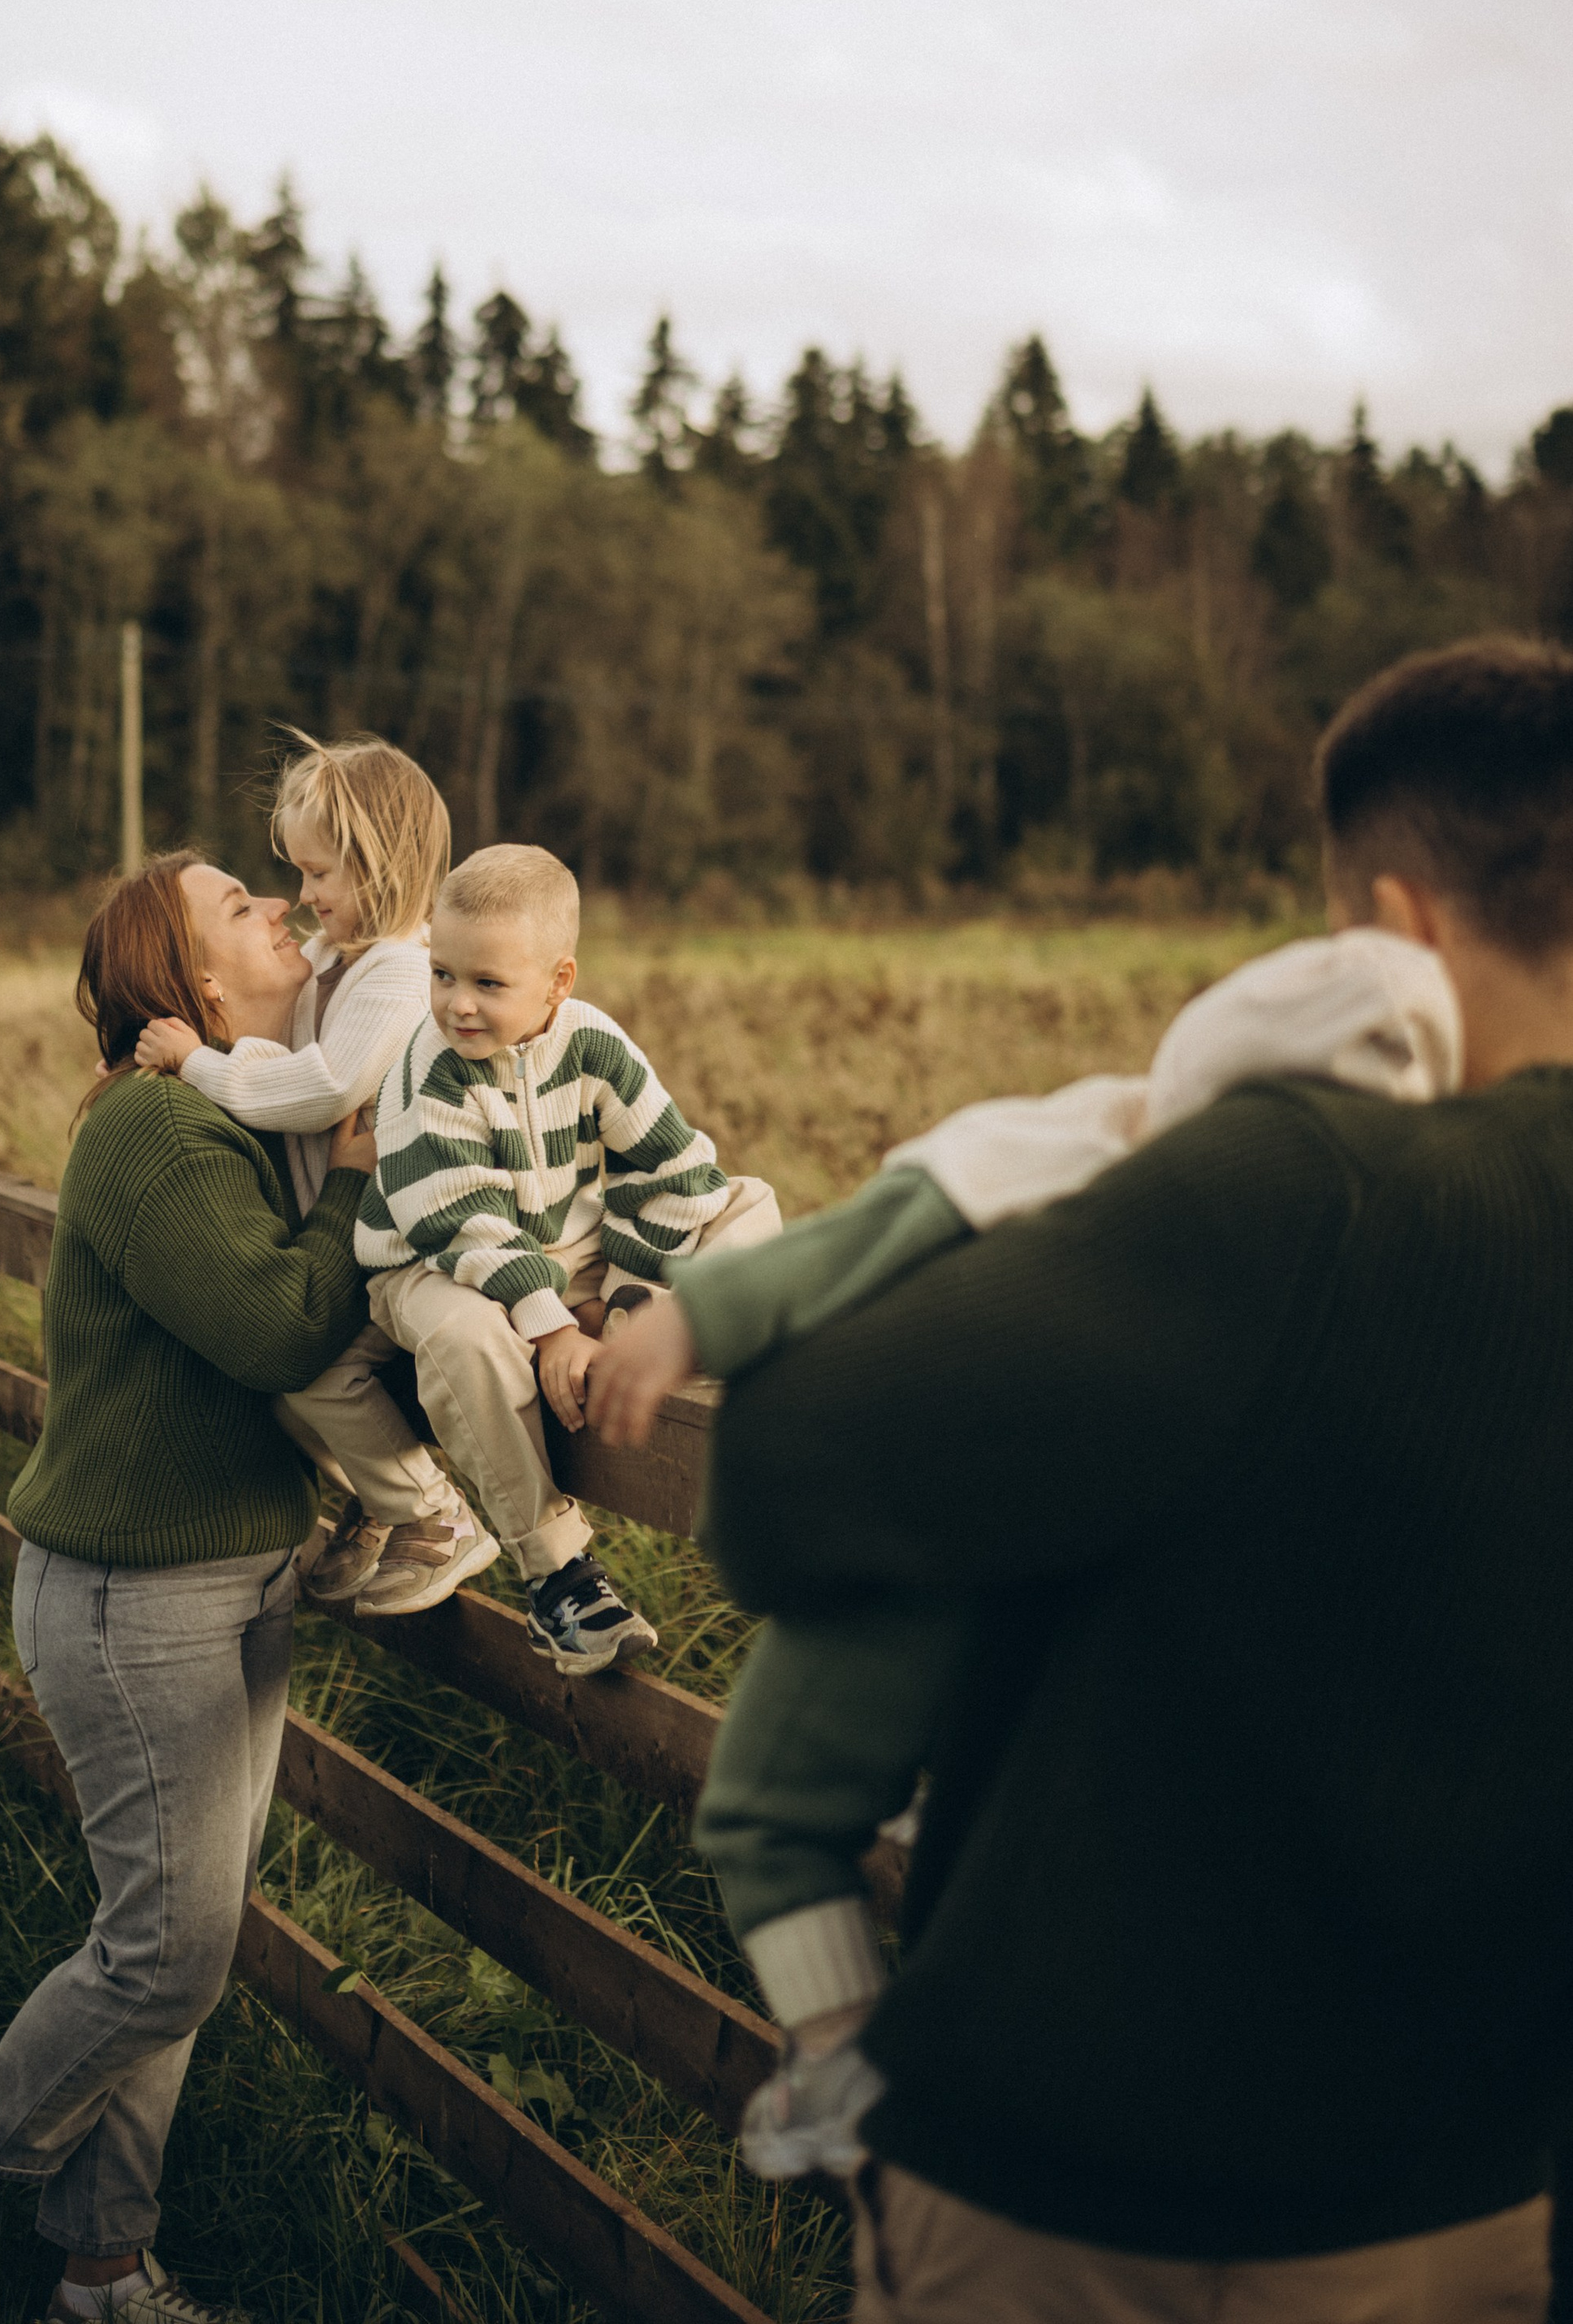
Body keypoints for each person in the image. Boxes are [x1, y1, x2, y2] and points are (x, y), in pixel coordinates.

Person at [624, 636, 1573, 2323]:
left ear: (1391, 932)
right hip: (1470, 2201)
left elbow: (789, 1468)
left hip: (1095, 2198)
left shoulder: (1307, 1187)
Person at [593, 927, 1463, 2185]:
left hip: (965, 1544)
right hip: (988, 1539)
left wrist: (690, 1323)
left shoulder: (1107, 1163)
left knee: (775, 1805)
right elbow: (847, 1252)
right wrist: (692, 1319)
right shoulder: (1122, 1171)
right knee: (780, 1798)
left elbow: (847, 1256)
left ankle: (844, 2048)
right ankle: (846, 2048)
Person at [0, 852, 376, 2324]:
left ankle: (103, 2270)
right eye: (240, 902)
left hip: (236, 1573)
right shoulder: (158, 1128)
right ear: (196, 986)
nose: (279, 903)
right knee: (167, 1953)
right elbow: (280, 1322)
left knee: (181, 1939)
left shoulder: (238, 1109)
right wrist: (358, 1175)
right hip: (129, 1595)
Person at [357, 842, 780, 1674]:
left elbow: (673, 1171)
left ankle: (678, 1332)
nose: (457, 1005)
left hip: (567, 1248)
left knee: (746, 1200)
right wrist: (550, 1328)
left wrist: (624, 1299)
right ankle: (555, 1573)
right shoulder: (429, 1067)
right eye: (441, 975)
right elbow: (462, 1221)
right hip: (432, 1262)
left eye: (487, 983)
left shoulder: (591, 1044)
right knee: (468, 1336)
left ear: (558, 982)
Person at [132, 733, 500, 1618]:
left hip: (404, 1245)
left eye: (319, 874)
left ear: (382, 866)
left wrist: (197, 1066)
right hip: (345, 1244)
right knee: (287, 1390)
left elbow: (324, 1087)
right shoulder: (337, 967)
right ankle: (382, 1508)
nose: (302, 897)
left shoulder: (401, 973)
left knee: (319, 1377)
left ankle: (437, 1517)